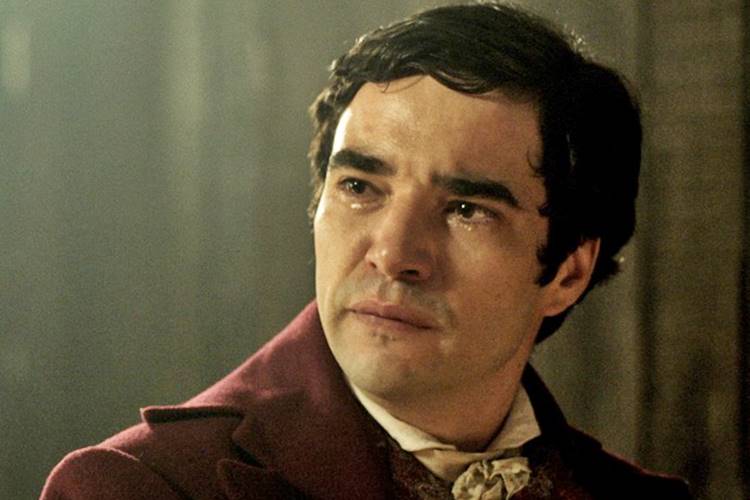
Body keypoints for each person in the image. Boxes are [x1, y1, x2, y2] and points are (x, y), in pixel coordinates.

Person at [42, 2, 691, 499]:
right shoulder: (137, 487)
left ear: (568, 272)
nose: (394, 253)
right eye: (359, 187)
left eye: (467, 209)